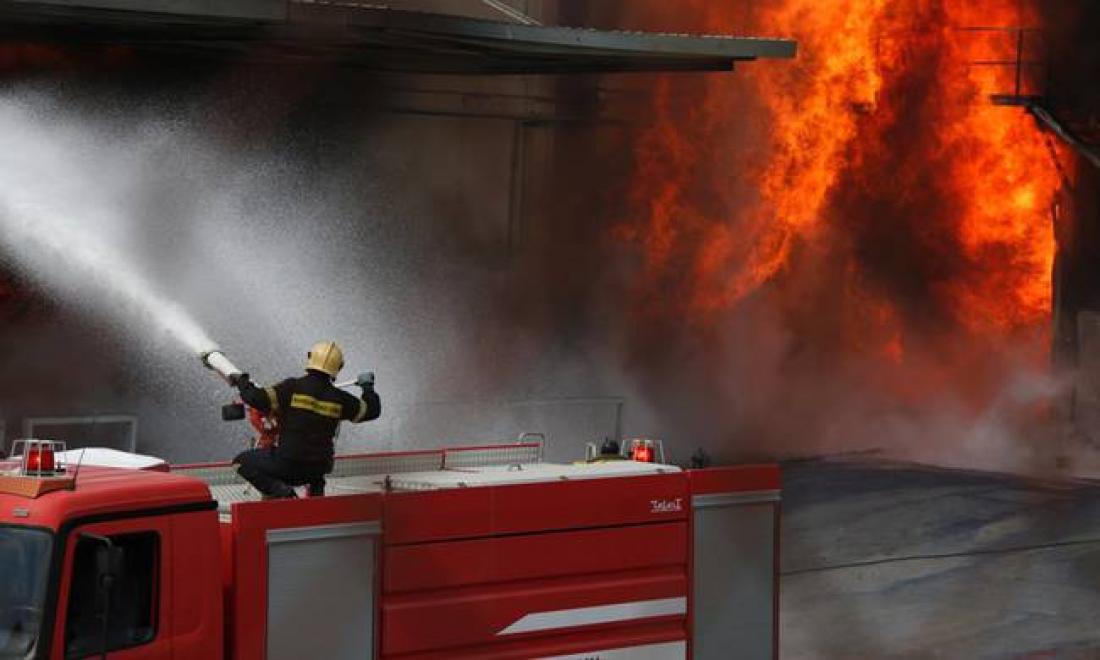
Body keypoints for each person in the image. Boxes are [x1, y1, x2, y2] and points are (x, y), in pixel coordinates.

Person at [229, 340, 381, 499]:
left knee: (240, 462)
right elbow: (371, 411)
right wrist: (367, 388)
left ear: (310, 358)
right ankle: (316, 498)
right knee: (315, 471)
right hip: (317, 469)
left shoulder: (291, 388)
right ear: (339, 367)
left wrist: (242, 381)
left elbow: (256, 398)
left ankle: (282, 493)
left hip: (288, 464)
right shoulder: (340, 399)